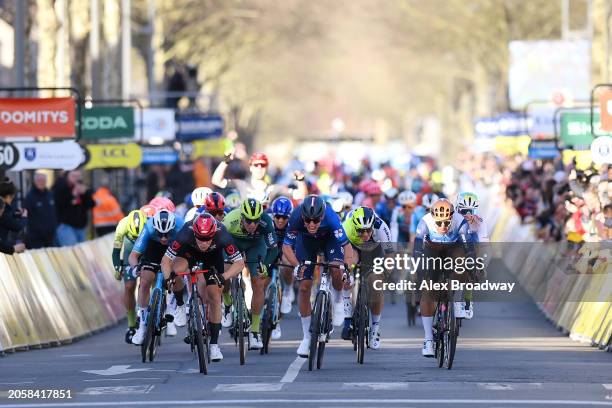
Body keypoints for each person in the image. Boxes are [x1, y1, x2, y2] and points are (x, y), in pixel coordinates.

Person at [162, 212, 245, 361]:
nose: (203, 242)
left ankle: (214, 346)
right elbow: (166, 260)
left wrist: (223, 277)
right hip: (188, 254)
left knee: (214, 295)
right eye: (200, 238)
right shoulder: (186, 233)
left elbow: (239, 263)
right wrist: (168, 278)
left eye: (207, 239)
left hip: (213, 258)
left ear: (214, 233)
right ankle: (180, 304)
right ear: (194, 232)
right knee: (176, 271)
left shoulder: (223, 235)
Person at [282, 195, 353, 357]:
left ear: (322, 216)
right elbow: (287, 246)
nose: (312, 224)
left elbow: (346, 246)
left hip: (330, 241)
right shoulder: (296, 216)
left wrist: (346, 267)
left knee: (336, 268)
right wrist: (296, 265)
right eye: (308, 221)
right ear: (302, 217)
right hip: (306, 242)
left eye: (316, 221)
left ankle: (337, 300)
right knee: (304, 286)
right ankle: (307, 337)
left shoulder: (331, 217)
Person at [413, 199, 473, 358]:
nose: (443, 227)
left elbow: (468, 247)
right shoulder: (425, 221)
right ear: (433, 218)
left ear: (452, 217)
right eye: (439, 223)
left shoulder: (460, 221)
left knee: (463, 262)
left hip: (454, 249)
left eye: (447, 222)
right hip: (432, 249)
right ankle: (428, 340)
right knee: (428, 291)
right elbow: (417, 248)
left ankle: (458, 300)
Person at [222, 198, 278, 350]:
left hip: (255, 245)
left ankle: (254, 331)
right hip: (232, 243)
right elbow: (218, 243)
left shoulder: (266, 222)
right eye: (248, 221)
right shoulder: (229, 222)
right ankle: (227, 304)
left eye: (255, 220)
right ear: (241, 217)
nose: (252, 224)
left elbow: (273, 249)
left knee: (258, 282)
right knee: (225, 272)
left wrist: (265, 266)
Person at [130, 209, 185, 345]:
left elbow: (187, 253)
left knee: (176, 275)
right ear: (155, 229)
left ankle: (174, 308)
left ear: (173, 228)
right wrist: (135, 267)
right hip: (153, 249)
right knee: (144, 281)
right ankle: (142, 326)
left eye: (167, 235)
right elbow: (133, 255)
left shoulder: (180, 226)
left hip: (174, 249)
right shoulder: (148, 227)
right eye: (160, 234)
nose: (164, 238)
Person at [340, 206, 392, 350]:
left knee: (376, 284)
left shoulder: (381, 227)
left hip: (374, 251)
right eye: (361, 231)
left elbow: (389, 254)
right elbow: (342, 253)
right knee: (346, 273)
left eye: (368, 230)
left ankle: (375, 328)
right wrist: (346, 271)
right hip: (352, 248)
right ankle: (347, 316)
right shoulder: (346, 227)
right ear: (354, 226)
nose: (365, 234)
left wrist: (386, 273)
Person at [212, 151, 308, 202]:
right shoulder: (241, 184)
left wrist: (301, 180)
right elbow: (216, 181)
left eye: (262, 165)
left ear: (267, 168)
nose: (259, 168)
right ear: (250, 167)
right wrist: (225, 162)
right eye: (256, 165)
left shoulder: (274, 189)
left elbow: (301, 195)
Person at [112, 209, 148, 343]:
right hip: (129, 253)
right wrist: (117, 267)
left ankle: (152, 309)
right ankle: (131, 324)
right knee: (129, 286)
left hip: (146, 250)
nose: (135, 238)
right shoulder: (122, 225)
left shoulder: (148, 224)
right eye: (133, 236)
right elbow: (116, 251)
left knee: (147, 280)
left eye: (137, 236)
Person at [269, 196, 294, 340]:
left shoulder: (293, 226)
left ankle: (288, 289)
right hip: (270, 250)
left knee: (287, 265)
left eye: (284, 218)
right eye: (277, 217)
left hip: (286, 249)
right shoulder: (267, 222)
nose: (280, 220)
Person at [53, 170, 95, 246]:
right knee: (71, 250)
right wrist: (73, 195)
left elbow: (91, 204)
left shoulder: (81, 187)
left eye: (78, 176)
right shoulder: (60, 187)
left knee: (80, 253)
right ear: (68, 177)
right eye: (73, 176)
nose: (76, 178)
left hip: (81, 226)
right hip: (66, 226)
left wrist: (85, 193)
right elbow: (59, 205)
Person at [24, 172, 57, 249]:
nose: (41, 182)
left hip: (50, 236)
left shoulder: (50, 194)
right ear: (35, 181)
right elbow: (26, 216)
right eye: (39, 180)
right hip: (36, 237)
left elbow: (55, 212)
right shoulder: (30, 197)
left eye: (43, 180)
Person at [0, 178, 27, 250]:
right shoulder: (4, 209)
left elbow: (9, 214)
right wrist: (24, 217)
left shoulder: (5, 208)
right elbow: (17, 227)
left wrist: (17, 213)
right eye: (13, 197)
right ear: (9, 196)